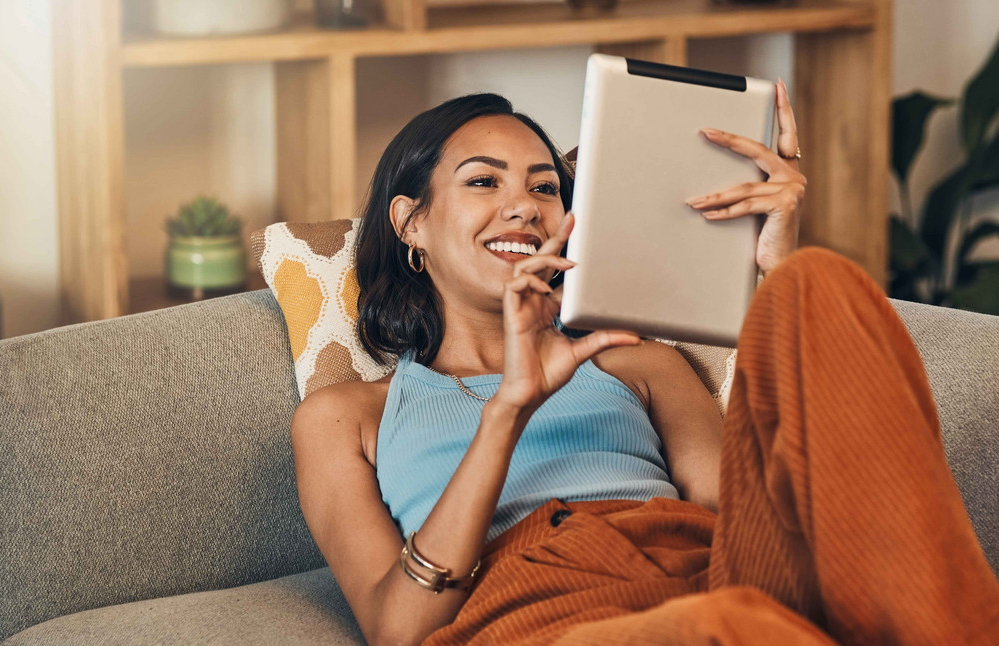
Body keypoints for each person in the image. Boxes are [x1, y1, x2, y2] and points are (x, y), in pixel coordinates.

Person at [290, 91, 999, 646]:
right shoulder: (348, 417)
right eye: (484, 182)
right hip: (540, 612)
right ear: (410, 222)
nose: (523, 208)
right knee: (733, 632)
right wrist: (510, 406)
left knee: (819, 280)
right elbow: (397, 630)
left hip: (702, 569)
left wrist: (772, 271)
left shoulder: (636, 359)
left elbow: (750, 515)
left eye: (545, 188)